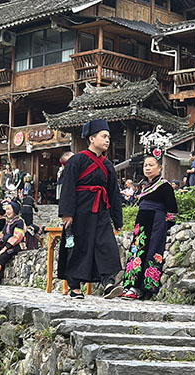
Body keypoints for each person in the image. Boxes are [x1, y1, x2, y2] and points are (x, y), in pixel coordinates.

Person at [58, 119, 123, 299]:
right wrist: (67, 213)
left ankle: (108, 283)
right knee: (78, 246)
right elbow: (68, 187)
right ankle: (75, 287)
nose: (107, 140)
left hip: (101, 210)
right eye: (104, 136)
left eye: (108, 137)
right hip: (80, 211)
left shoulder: (108, 165)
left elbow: (113, 193)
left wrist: (117, 219)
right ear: (92, 138)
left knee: (107, 245)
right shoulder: (77, 160)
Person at [122, 155, 178, 300]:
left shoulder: (165, 185)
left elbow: (172, 210)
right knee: (137, 252)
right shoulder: (145, 186)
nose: (147, 168)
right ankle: (131, 286)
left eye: (151, 165)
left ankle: (144, 288)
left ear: (159, 168)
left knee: (151, 252)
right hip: (141, 224)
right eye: (146, 165)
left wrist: (166, 225)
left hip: (156, 223)